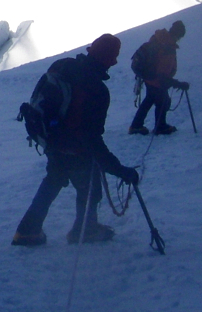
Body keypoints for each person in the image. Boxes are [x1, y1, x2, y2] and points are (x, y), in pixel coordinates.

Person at [12, 34, 140, 247]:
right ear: (109, 59)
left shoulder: (64, 66)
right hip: (74, 148)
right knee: (90, 188)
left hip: (49, 138)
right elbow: (92, 139)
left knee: (53, 180)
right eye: (113, 57)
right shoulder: (97, 90)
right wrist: (120, 170)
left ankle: (26, 231)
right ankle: (85, 230)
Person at [128, 20, 189, 136]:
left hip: (150, 78)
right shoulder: (167, 46)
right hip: (156, 80)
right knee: (162, 102)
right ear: (177, 34)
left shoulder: (161, 41)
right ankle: (160, 126)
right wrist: (178, 84)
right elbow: (162, 74)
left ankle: (137, 126)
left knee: (150, 100)